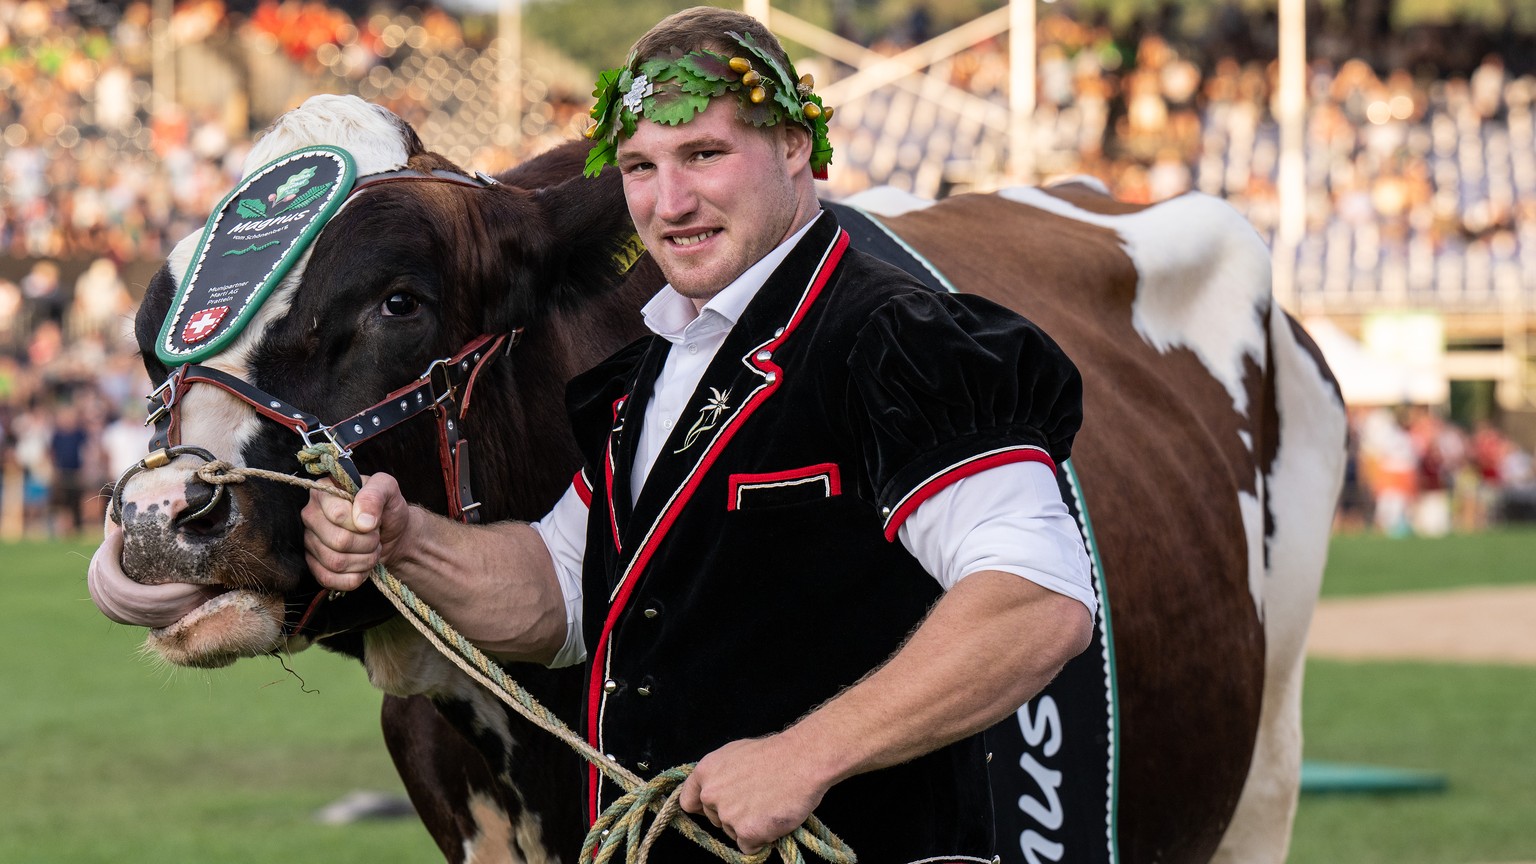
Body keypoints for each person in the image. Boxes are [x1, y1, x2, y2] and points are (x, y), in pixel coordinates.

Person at [90, 7, 1095, 859]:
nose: (671, 200)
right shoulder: (652, 372)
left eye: (706, 156)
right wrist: (408, 540)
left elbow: (1036, 603)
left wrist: (809, 754)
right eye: (646, 168)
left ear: (797, 148)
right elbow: (556, 596)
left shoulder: (894, 336)